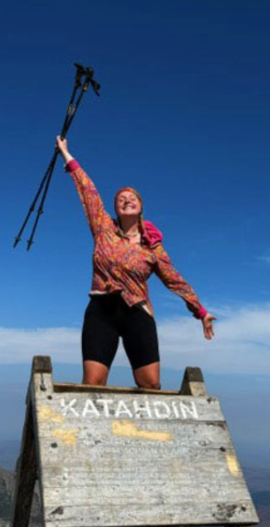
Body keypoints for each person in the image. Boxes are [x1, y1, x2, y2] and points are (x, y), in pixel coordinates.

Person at [55, 136, 216, 390]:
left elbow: (174, 279)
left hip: (137, 312)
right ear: (116, 208)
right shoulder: (103, 229)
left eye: (132, 198)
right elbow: (89, 192)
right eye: (121, 199)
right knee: (93, 383)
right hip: (102, 309)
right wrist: (66, 154)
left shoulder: (152, 247)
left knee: (151, 384)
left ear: (140, 207)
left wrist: (201, 312)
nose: (126, 199)